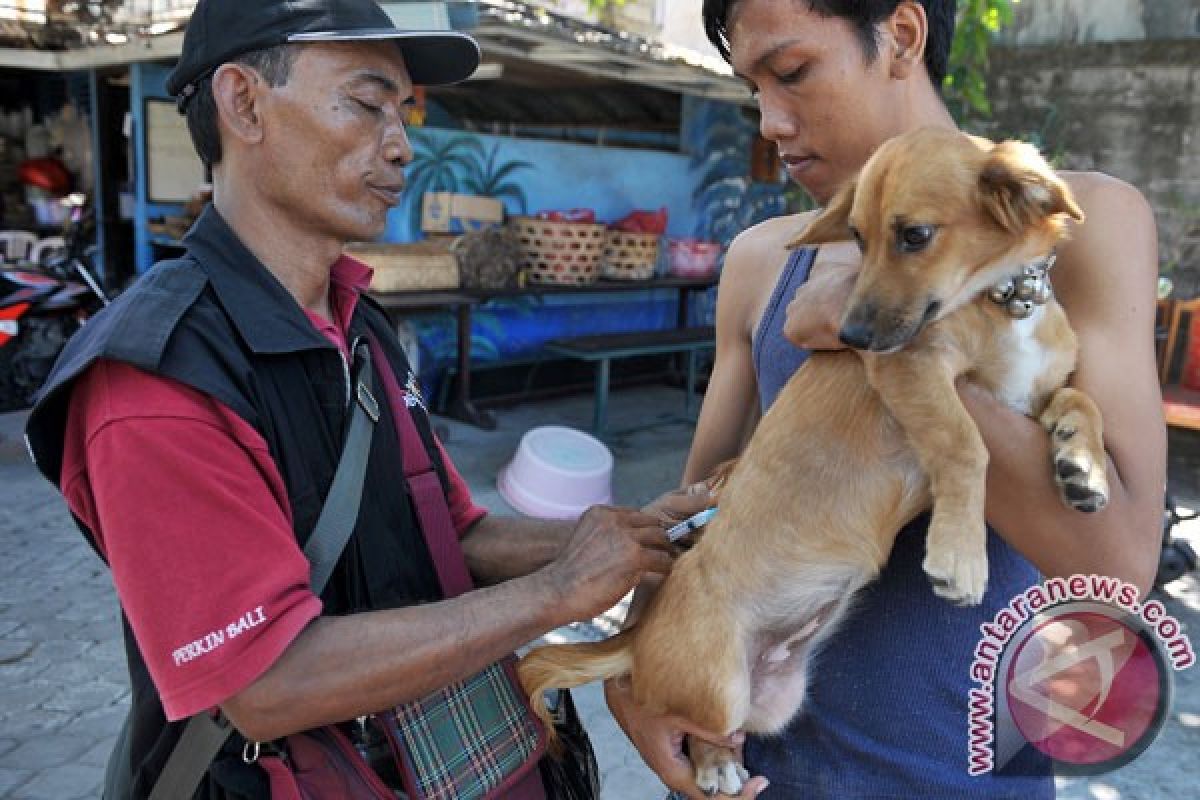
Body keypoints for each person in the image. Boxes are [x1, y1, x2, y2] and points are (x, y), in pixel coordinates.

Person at [24, 0, 716, 797]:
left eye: (403, 111)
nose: (400, 144)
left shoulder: (358, 322)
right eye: (365, 103)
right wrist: (555, 594)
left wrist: (625, 539)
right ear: (243, 102)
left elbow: (451, 530)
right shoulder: (156, 378)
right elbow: (264, 685)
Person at [604, 1, 1166, 798]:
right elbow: (694, 514)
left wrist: (880, 325)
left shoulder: (1076, 223)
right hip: (764, 770)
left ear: (901, 36)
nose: (769, 120)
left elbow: (1115, 566)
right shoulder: (764, 259)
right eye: (752, 88)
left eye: (792, 73)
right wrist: (635, 664)